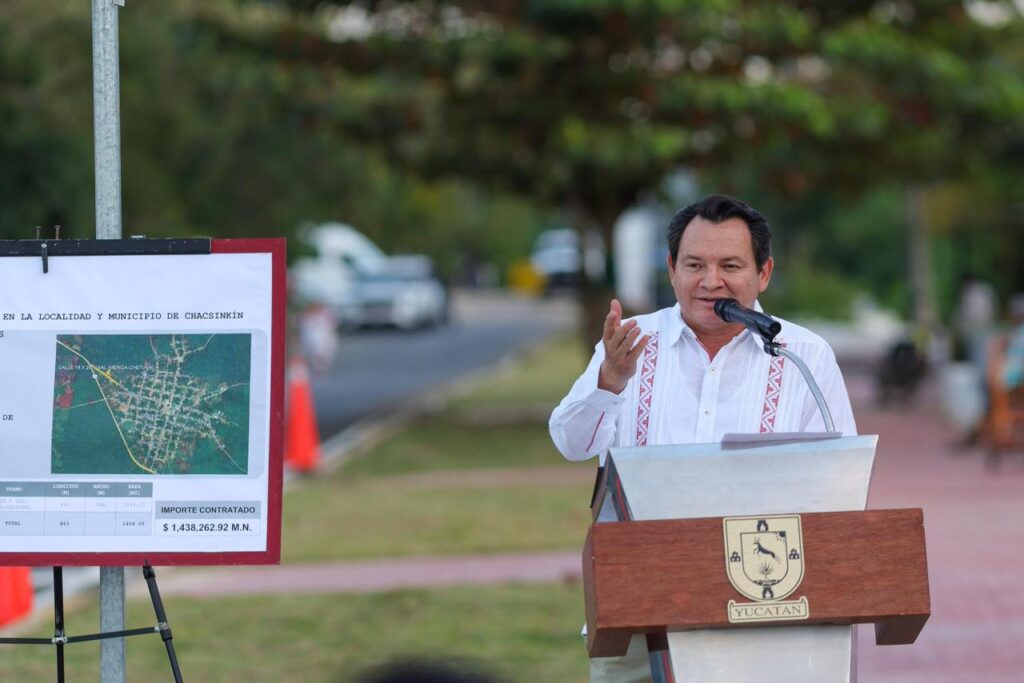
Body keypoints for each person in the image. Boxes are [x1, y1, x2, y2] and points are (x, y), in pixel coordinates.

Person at [549, 194, 857, 683]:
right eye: (694, 264)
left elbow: (842, 486)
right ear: (671, 269)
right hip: (641, 606)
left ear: (764, 273)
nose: (710, 280)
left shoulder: (805, 356)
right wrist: (609, 382)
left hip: (767, 610)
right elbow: (570, 441)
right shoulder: (630, 346)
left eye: (730, 265)